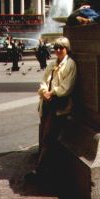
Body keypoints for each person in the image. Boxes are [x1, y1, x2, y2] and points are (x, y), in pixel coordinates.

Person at [25, 36, 77, 183]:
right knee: (45, 135)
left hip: (58, 106)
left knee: (48, 137)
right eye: (56, 48)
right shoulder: (52, 64)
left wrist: (51, 93)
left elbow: (67, 87)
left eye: (61, 48)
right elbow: (43, 81)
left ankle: (40, 171)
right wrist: (43, 91)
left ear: (67, 49)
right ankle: (47, 170)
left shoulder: (70, 65)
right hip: (47, 103)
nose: (58, 50)